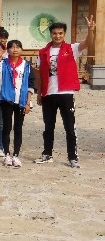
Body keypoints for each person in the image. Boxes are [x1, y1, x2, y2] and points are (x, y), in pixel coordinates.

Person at [34, 16, 95, 168]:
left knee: (69, 127)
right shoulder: (43, 52)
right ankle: (47, 154)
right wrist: (39, 93)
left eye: (60, 33)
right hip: (49, 94)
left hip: (66, 93)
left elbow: (87, 43)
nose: (57, 36)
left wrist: (90, 30)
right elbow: (40, 75)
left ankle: (72, 157)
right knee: (48, 127)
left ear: (64, 34)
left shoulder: (71, 49)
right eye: (55, 33)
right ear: (50, 34)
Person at [0, 40, 35, 167]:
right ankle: (7, 154)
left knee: (18, 128)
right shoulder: (2, 63)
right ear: (7, 50)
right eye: (12, 47)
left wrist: (28, 102)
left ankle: (16, 155)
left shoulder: (26, 65)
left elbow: (31, 84)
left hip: (21, 100)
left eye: (17, 47)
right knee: (6, 127)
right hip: (6, 99)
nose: (15, 49)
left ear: (21, 50)